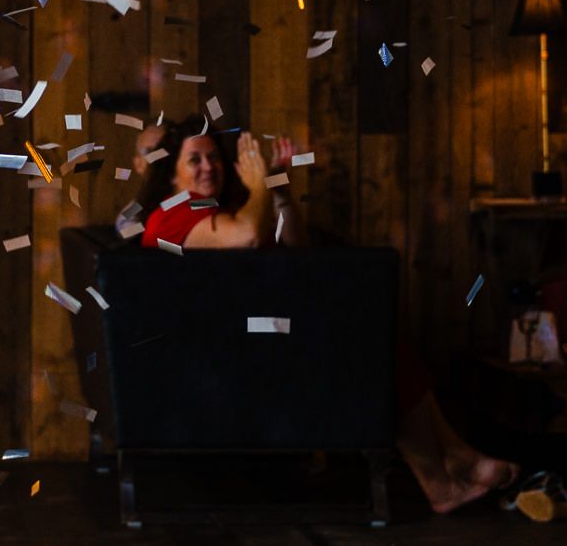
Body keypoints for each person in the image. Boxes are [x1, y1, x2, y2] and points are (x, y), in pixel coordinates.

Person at [132, 116, 519, 514]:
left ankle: (453, 457)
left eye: (213, 157)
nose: (208, 166)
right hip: (230, 353)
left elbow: (295, 245)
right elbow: (247, 237)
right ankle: (443, 477)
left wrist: (278, 190)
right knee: (368, 345)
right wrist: (260, 185)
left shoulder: (221, 208)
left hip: (265, 334)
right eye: (194, 160)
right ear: (171, 176)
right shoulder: (171, 217)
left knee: (374, 336)